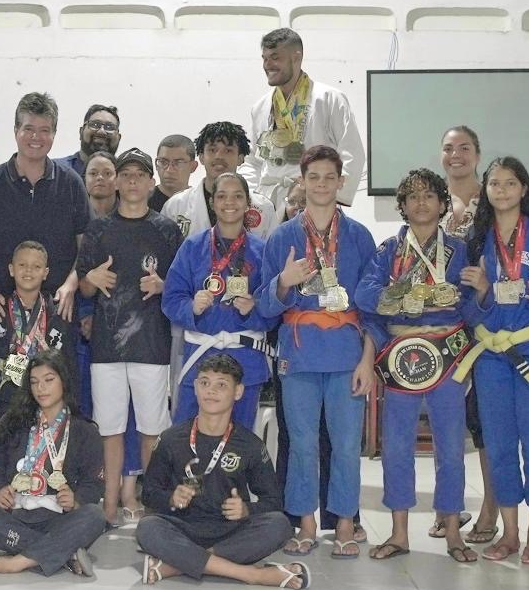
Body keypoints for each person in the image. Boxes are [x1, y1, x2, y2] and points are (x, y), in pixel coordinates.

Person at [355, 168, 480, 563]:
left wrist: (456, 298)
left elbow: (473, 301)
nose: (421, 203)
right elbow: (364, 294)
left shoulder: (459, 250)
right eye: (413, 196)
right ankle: (399, 532)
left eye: (429, 196)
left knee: (451, 447)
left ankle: (453, 531)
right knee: (395, 447)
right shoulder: (388, 250)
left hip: (448, 356)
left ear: (443, 204)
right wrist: (398, 295)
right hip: (401, 357)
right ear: (403, 206)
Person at [258, 145, 376, 559]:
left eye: (330, 177)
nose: (322, 184)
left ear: (341, 182)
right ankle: (305, 523)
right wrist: (284, 281)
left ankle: (344, 523)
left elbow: (373, 307)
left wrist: (368, 360)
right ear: (302, 181)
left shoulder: (359, 237)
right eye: (314, 177)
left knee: (346, 444)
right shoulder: (283, 236)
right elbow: (263, 306)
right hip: (300, 353)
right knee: (302, 443)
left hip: (347, 353)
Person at [454, 156, 529, 565]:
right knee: (499, 443)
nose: (501, 190)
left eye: (509, 183)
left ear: (524, 189)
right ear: (485, 191)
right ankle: (510, 533)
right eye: (494, 184)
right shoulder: (475, 240)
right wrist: (483, 291)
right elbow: (466, 309)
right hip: (491, 356)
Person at [137, 355, 309, 590]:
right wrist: (171, 498)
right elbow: (149, 493)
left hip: (230, 530)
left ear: (238, 392)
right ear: (195, 387)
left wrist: (247, 509)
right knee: (147, 528)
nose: (211, 391)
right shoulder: (170, 438)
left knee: (280, 525)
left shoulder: (250, 445)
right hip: (183, 527)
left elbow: (274, 501)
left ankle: (177, 565)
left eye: (221, 385)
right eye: (204, 383)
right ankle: (251, 574)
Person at [78, 148, 182, 526]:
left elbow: (181, 288)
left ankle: (151, 505)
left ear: (152, 183)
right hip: (106, 347)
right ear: (116, 182)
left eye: (141, 175)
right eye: (126, 175)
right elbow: (84, 289)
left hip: (151, 345)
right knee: (110, 430)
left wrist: (164, 286)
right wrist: (91, 279)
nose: (133, 181)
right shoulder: (98, 230)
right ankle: (109, 504)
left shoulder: (167, 230)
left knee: (152, 430)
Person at [0, 350, 104, 576]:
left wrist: (76, 501)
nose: (41, 388)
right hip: (15, 515)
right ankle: (64, 554)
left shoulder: (85, 431)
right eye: (34, 382)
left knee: (94, 516)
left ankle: (14, 563)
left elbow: (94, 483)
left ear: (64, 381)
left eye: (49, 380)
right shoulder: (12, 421)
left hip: (59, 518)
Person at [0, 92, 91, 325]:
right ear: (15, 131)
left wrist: (71, 284)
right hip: (0, 310)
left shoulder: (71, 183)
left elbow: (87, 244)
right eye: (29, 128)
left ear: (54, 134)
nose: (36, 137)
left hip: (58, 309)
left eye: (44, 130)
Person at [163, 172, 272, 429]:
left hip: (245, 358)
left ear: (248, 204)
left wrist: (253, 309)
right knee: (186, 435)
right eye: (222, 196)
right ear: (212, 202)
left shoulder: (262, 251)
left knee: (241, 438)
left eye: (237, 196)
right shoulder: (193, 247)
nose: (229, 202)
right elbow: (171, 298)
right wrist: (191, 307)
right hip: (201, 357)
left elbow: (274, 307)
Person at [437, 125, 496, 545]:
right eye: (448, 148)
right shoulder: (430, 200)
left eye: (464, 148)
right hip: (438, 324)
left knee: (482, 418)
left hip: (483, 321)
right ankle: (448, 507)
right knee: (446, 418)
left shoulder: (492, 200)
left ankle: (490, 507)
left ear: (477, 154)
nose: (455, 154)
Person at [241, 28, 366, 210]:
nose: (267, 65)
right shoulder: (260, 107)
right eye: (264, 58)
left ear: (296, 57)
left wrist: (325, 195)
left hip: (315, 201)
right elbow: (254, 161)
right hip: (271, 203)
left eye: (275, 57)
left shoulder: (329, 99)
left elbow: (352, 153)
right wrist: (254, 199)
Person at [0, 242, 76, 426]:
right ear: (11, 269)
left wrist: (69, 401)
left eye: (36, 267)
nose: (29, 271)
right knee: (4, 440)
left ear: (45, 273)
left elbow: (69, 360)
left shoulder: (58, 311)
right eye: (22, 265)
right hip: (5, 394)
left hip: (47, 395)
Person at [163, 121, 277, 240]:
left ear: (241, 158)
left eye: (228, 151)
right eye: (212, 150)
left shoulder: (263, 208)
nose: (219, 156)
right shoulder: (175, 206)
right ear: (201, 157)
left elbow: (273, 250)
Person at [55, 104, 122, 182]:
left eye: (109, 127)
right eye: (95, 124)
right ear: (81, 132)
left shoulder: (126, 175)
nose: (101, 131)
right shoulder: (56, 171)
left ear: (119, 138)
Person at [151, 134, 198, 213]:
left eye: (178, 163)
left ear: (193, 166)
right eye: (163, 162)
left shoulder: (200, 203)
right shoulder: (141, 201)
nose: (169, 170)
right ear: (156, 165)